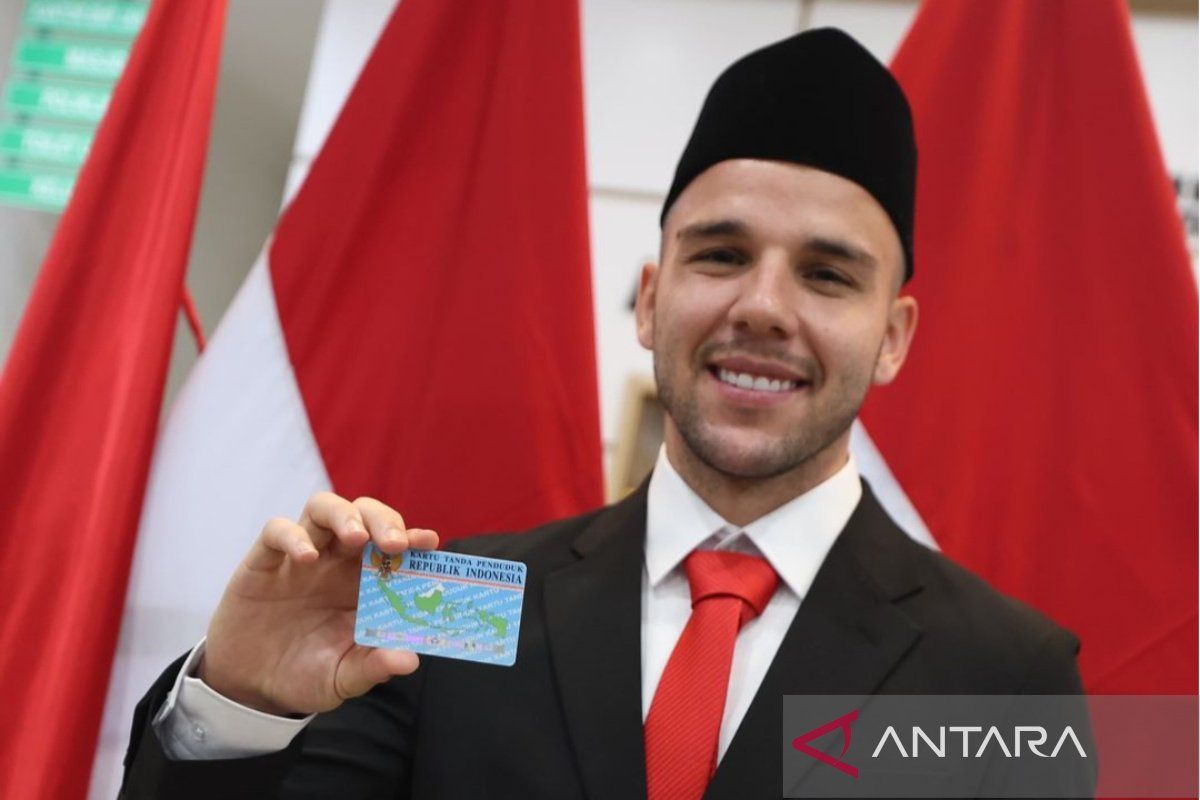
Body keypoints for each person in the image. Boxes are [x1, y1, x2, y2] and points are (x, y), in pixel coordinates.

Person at [118, 29, 1084, 800]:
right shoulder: (451, 606)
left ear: (894, 336)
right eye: (721, 256)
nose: (761, 307)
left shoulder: (1004, 674)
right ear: (651, 300)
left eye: (827, 275)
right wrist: (240, 707)